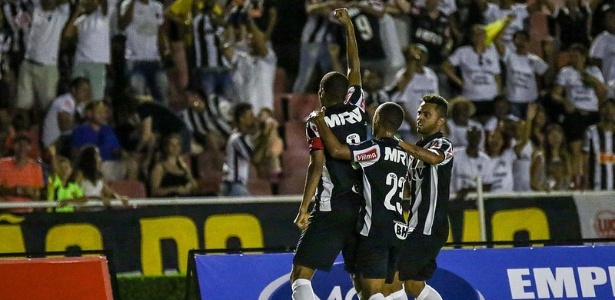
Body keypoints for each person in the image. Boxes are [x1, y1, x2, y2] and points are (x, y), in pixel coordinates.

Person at [290, 8, 368, 300]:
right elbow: (354, 68)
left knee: (300, 275)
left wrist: (304, 207)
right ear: (346, 92)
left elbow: (317, 163)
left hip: (331, 206)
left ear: (322, 93)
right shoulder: (358, 106)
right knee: (361, 281)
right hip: (362, 205)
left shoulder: (316, 122)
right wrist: (348, 27)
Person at [310, 102, 409, 300]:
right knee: (396, 292)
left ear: (378, 120)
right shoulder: (404, 153)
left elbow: (337, 151)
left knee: (372, 294)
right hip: (398, 230)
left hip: (375, 231)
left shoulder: (374, 149)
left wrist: (321, 122)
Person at [384, 94, 452, 300]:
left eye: (427, 114)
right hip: (415, 224)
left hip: (428, 225)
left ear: (440, 121)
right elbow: (407, 189)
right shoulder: (418, 150)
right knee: (414, 285)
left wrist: (397, 142)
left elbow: (434, 158)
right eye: (419, 113)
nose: (420, 117)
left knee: (391, 280)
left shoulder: (442, 144)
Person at [219, 102, 272, 196]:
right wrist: (265, 137)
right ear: (242, 119)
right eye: (250, 115)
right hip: (234, 185)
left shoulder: (242, 138)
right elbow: (255, 158)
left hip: (235, 185)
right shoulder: (236, 138)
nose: (253, 118)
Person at [0, 134, 44, 213]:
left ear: (29, 147)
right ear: (14, 146)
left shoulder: (36, 168)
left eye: (25, 145)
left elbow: (36, 194)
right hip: (4, 212)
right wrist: (18, 190)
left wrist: (30, 193)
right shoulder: (2, 164)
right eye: (19, 144)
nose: (22, 147)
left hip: (27, 214)